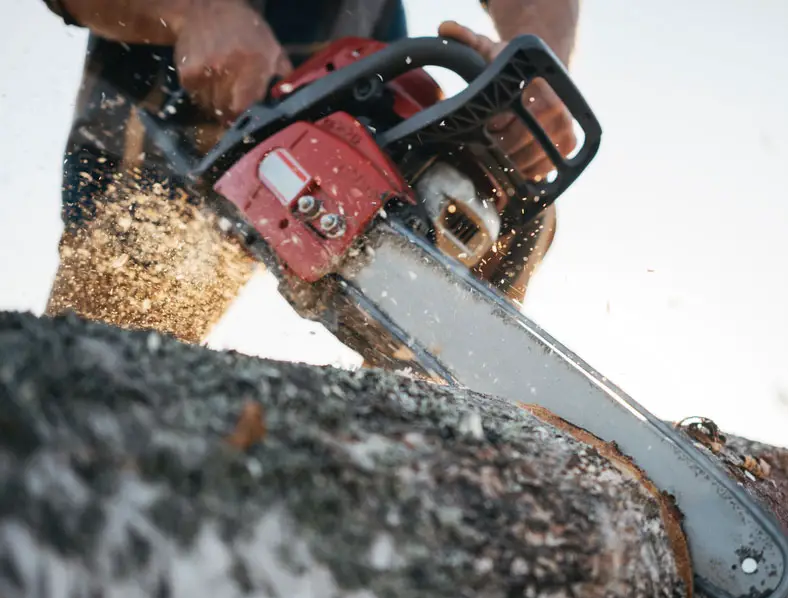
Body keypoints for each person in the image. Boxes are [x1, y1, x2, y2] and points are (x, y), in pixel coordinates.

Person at [39, 0, 581, 346]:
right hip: (164, 123)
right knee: (107, 356)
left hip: (351, 108)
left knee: (503, 197)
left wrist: (537, 71)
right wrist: (192, 12)